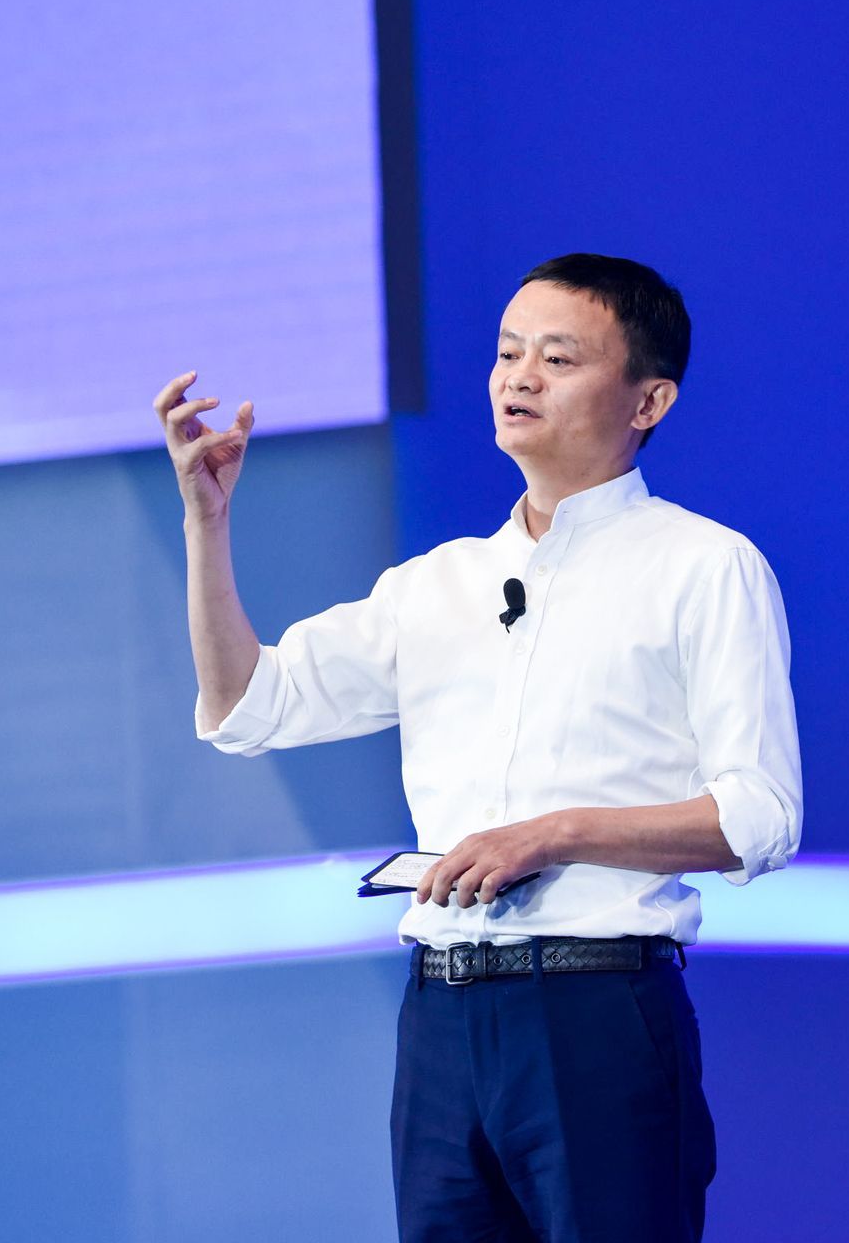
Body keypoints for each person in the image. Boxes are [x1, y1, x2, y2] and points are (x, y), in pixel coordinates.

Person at [154, 252, 803, 1242]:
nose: (518, 378)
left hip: (597, 1009)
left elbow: (759, 817)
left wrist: (553, 833)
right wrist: (207, 523)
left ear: (649, 400)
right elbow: (249, 703)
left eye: (558, 358)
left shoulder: (704, 567)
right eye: (507, 353)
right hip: (443, 1019)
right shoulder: (437, 584)